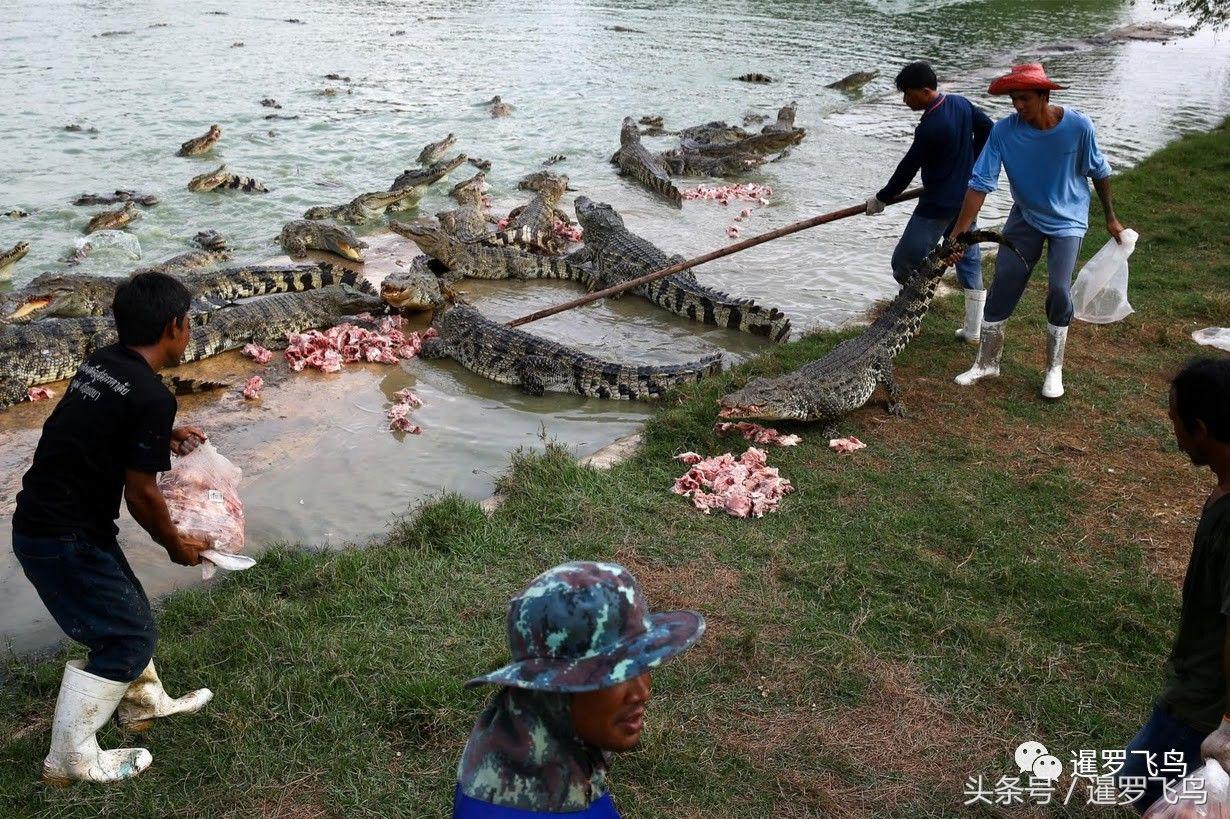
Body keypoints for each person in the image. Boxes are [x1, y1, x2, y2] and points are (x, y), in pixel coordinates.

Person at [12, 271, 215, 785]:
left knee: (128, 609)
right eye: (188, 322)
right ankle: (69, 757)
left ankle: (144, 704)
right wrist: (174, 543)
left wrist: (160, 435)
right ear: (175, 326)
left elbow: (98, 422)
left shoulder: (103, 364)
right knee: (127, 635)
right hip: (61, 535)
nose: (189, 330)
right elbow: (142, 493)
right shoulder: (151, 394)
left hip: (53, 519)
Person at [454, 561, 706, 817]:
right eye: (615, 676)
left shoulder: (539, 754)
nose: (641, 692)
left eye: (642, 665)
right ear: (554, 688)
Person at [946, 62, 1124, 399]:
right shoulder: (1003, 131)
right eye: (1014, 99)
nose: (1018, 106)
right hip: (1025, 215)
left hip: (1068, 219)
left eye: (1025, 98)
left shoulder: (1077, 126)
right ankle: (987, 362)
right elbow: (980, 184)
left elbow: (1099, 171)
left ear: (1044, 96)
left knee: (1059, 288)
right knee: (1005, 282)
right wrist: (959, 233)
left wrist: (1110, 218)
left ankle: (1054, 369)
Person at [1115, 358, 1230, 812]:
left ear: (1199, 428)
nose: (1175, 437)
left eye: (1174, 423)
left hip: (1201, 704)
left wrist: (1226, 724)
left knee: (1141, 787)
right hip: (1200, 694)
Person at [865, 60, 993, 342]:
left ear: (925, 91)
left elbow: (908, 167)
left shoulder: (931, 126)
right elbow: (988, 127)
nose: (905, 100)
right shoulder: (960, 104)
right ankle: (974, 330)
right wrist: (972, 160)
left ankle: (915, 310)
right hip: (966, 200)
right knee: (969, 261)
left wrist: (882, 198)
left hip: (937, 206)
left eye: (908, 94)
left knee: (903, 262)